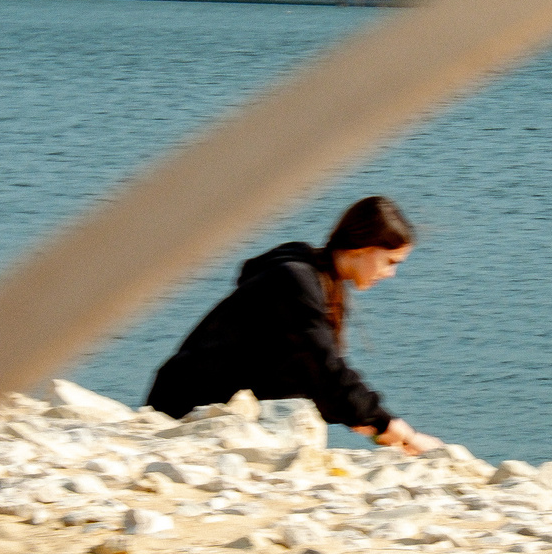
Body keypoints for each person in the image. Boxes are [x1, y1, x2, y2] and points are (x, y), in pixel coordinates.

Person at [148, 195, 443, 455]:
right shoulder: (297, 282)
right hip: (184, 404)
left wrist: (368, 422)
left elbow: (313, 376)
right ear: (361, 248)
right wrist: (393, 427)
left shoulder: (322, 283)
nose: (391, 274)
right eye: (390, 261)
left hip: (214, 402)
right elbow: (327, 369)